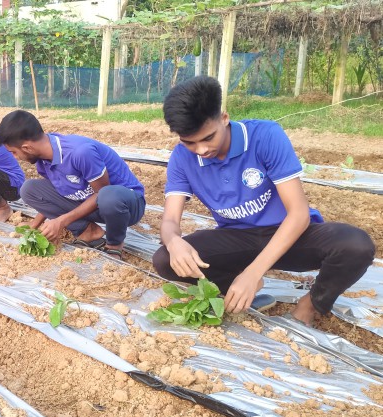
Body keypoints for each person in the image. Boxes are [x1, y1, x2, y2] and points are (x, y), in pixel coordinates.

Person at [153, 76, 375, 326]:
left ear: (224, 118)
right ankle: (235, 291)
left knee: (356, 245)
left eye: (208, 138)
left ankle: (310, 305)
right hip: (238, 238)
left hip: (290, 236)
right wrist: (174, 242)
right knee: (165, 259)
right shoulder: (182, 158)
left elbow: (299, 214)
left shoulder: (265, 136)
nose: (201, 150)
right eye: (189, 142)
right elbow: (170, 219)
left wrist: (253, 271)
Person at [0, 110, 145, 256]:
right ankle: (87, 231)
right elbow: (55, 194)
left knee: (108, 195)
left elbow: (102, 193)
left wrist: (61, 221)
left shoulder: (80, 152)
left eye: (14, 152)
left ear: (27, 148)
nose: (15, 157)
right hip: (93, 204)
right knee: (29, 189)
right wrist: (35, 224)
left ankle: (114, 244)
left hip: (125, 206)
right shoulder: (42, 161)